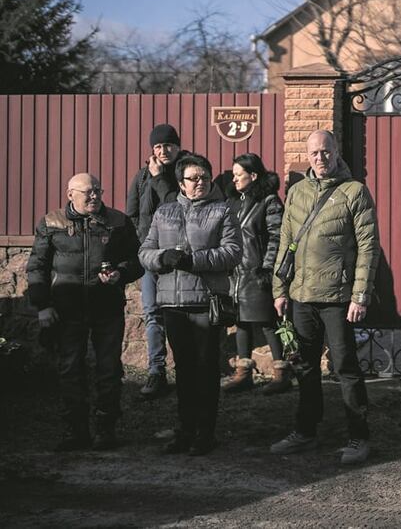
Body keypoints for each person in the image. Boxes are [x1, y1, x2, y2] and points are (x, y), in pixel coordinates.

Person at [270, 130, 380, 466]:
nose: (320, 158)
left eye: (326, 151)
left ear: (337, 152)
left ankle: (359, 437)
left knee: (346, 367)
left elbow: (368, 247)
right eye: (315, 153)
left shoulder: (354, 192)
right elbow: (285, 241)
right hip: (302, 295)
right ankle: (305, 431)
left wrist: (359, 295)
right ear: (308, 155)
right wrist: (279, 288)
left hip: (337, 297)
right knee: (305, 367)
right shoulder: (297, 192)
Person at [27, 173, 143, 451]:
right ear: (70, 195)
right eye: (88, 192)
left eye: (98, 191)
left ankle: (106, 430)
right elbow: (36, 267)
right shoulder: (51, 223)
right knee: (70, 369)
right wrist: (43, 305)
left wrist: (121, 273)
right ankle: (75, 431)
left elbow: (137, 259)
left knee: (109, 369)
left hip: (107, 308)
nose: (94, 196)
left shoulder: (118, 222)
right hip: (66, 310)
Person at [139, 154, 241, 456]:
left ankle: (205, 433)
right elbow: (145, 251)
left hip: (206, 302)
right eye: (194, 178)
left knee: (206, 368)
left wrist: (194, 260)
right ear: (181, 183)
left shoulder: (222, 211)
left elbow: (233, 252)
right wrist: (162, 258)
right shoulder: (164, 212)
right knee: (182, 369)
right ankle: (184, 430)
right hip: (173, 302)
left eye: (205, 177)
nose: (201, 183)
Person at [126, 123, 188, 400]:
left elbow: (177, 208)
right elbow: (132, 216)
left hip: (178, 257)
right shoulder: (141, 177)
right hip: (150, 258)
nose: (163, 150)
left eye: (168, 145)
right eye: (158, 146)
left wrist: (160, 178)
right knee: (153, 314)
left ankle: (188, 370)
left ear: (177, 146)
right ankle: (156, 371)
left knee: (182, 315)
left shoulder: (186, 173)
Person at [221, 153, 290, 394]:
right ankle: (243, 373)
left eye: (239, 174)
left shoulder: (269, 201)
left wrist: (267, 269)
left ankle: (281, 374)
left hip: (257, 272)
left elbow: (277, 237)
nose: (235, 179)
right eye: (233, 174)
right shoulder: (234, 202)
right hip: (237, 274)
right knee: (241, 322)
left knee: (267, 322)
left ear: (253, 175)